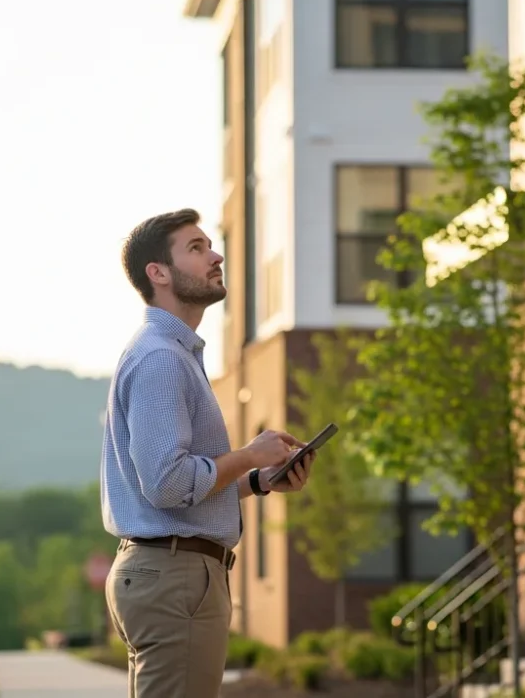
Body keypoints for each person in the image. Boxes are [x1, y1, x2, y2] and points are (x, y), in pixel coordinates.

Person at [100, 208, 315, 697]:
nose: (216, 256)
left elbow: (180, 487)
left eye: (210, 245)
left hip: (169, 573)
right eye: (195, 249)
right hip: (176, 576)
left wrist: (260, 479)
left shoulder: (171, 354)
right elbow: (169, 484)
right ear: (158, 273)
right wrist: (250, 454)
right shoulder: (161, 359)